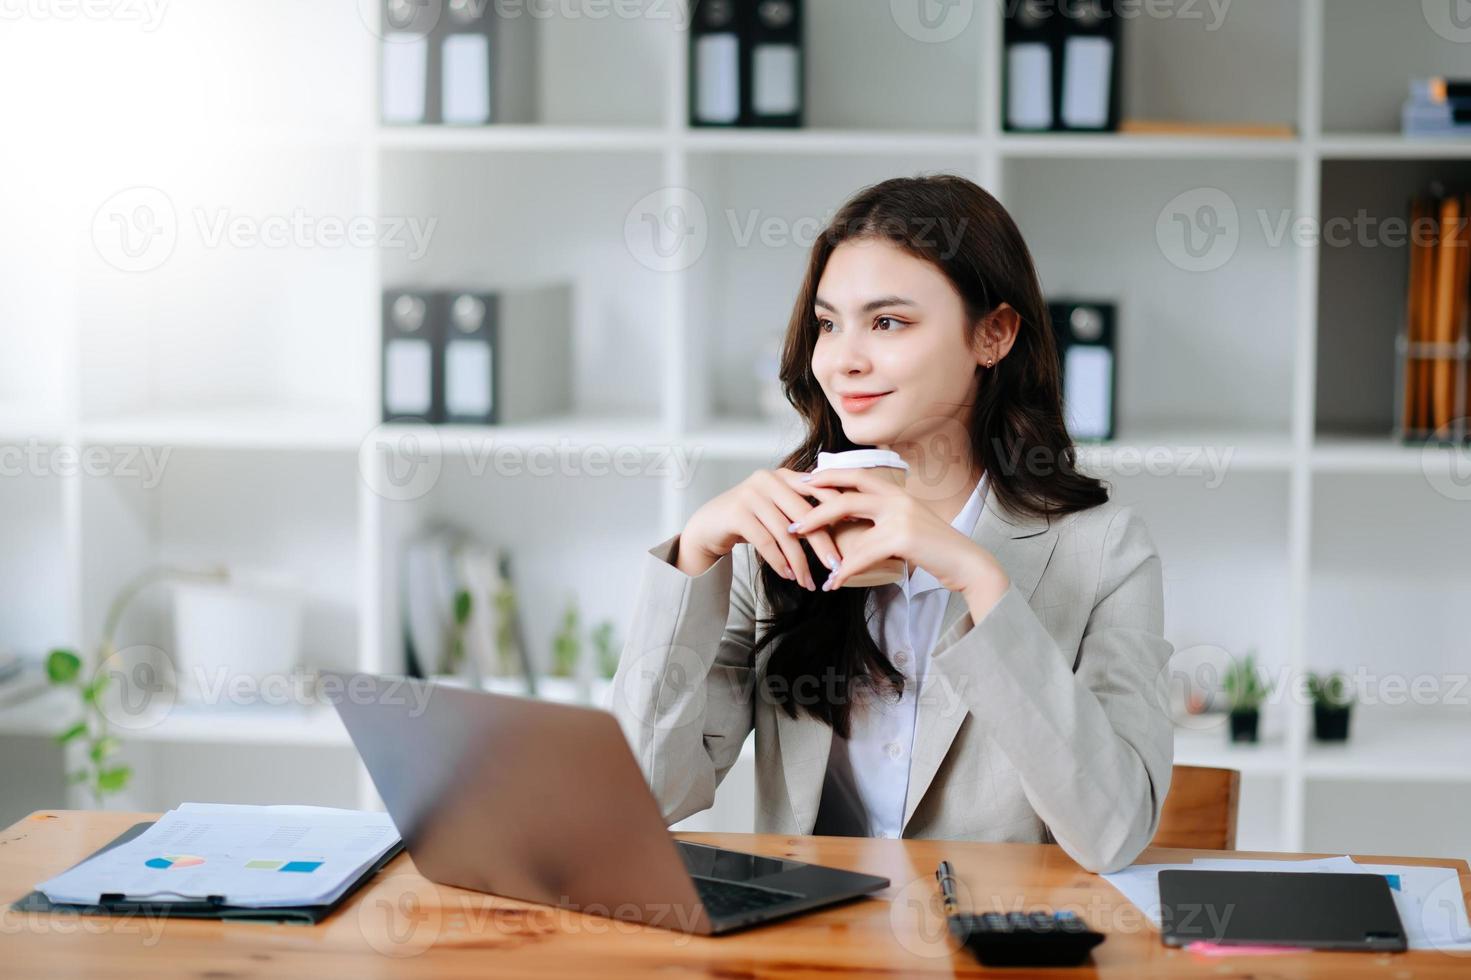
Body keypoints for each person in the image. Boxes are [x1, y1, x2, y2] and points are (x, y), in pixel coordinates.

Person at [610, 174, 1173, 874]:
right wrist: (693, 557)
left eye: (887, 322)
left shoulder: (1103, 550)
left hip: (988, 956)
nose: (842, 360)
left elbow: (1112, 830)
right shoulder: (782, 537)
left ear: (992, 335)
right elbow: (642, 795)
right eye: (826, 323)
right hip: (808, 954)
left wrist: (977, 578)